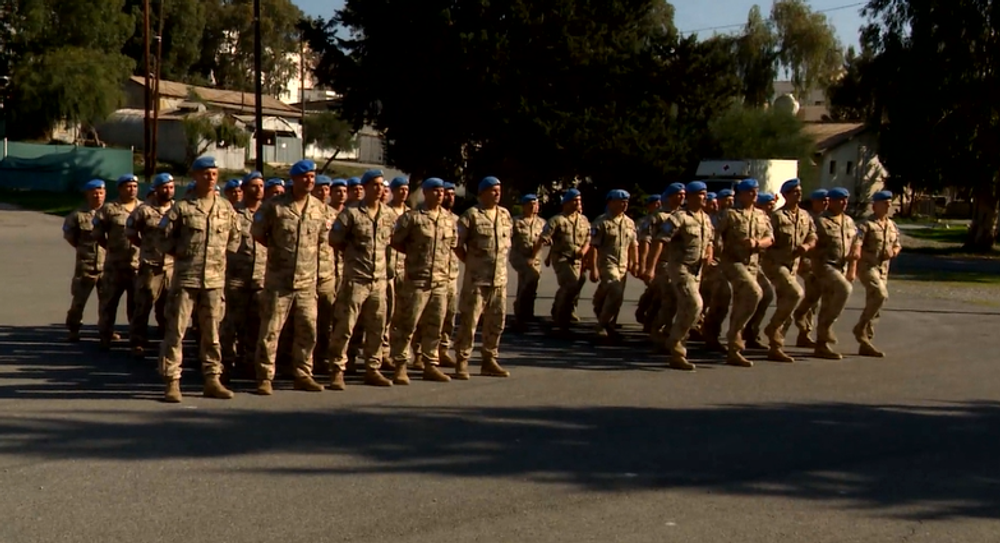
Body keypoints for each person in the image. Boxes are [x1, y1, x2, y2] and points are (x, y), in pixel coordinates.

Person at [157, 157, 241, 402]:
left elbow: (234, 239)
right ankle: (172, 381)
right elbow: (163, 238)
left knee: (212, 333)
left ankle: (212, 379)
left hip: (215, 281)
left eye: (214, 173)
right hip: (186, 279)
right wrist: (182, 254)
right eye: (205, 173)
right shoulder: (181, 208)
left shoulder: (226, 208)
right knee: (176, 332)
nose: (211, 177)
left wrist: (217, 259)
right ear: (195, 175)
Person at [251, 159, 329, 395]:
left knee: (308, 330)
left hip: (307, 281)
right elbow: (258, 234)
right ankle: (265, 376)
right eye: (305, 176)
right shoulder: (274, 206)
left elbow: (322, 240)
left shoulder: (318, 208)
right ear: (294, 179)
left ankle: (303, 374)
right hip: (279, 280)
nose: (310, 180)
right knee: (271, 331)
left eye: (313, 176)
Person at [327, 170, 397, 389]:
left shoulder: (388, 215)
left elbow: (392, 244)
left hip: (379, 280)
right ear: (365, 187)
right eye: (374, 185)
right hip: (356, 279)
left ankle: (372, 368)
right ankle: (337, 369)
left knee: (377, 327)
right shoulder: (351, 214)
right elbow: (335, 239)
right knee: (345, 327)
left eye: (381, 186)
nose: (379, 189)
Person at [387, 177, 457, 383]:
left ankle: (430, 364)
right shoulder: (412, 218)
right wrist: (416, 258)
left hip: (440, 281)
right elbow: (397, 242)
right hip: (417, 280)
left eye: (441, 191)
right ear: (425, 193)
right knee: (407, 324)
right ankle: (400, 365)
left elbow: (452, 245)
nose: (440, 194)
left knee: (435, 325)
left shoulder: (447, 219)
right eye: (435, 190)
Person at [453, 176, 514, 378]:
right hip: (477, 280)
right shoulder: (471, 216)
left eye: (499, 190)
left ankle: (489, 359)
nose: (497, 193)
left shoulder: (505, 215)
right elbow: (457, 245)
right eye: (493, 190)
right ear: (483, 192)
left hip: (499, 280)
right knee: (470, 322)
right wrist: (471, 264)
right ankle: (462, 360)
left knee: (496, 322)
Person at [714, 178, 774, 367]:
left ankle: (738, 341)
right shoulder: (729, 215)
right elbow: (715, 237)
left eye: (756, 191)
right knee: (753, 292)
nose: (754, 194)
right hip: (733, 262)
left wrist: (758, 244)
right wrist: (716, 256)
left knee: (761, 295)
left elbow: (770, 238)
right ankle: (735, 339)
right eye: (750, 191)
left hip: (754, 264)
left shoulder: (761, 216)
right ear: (740, 194)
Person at [656, 181, 714, 370]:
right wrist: (649, 266)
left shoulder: (705, 219)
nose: (703, 197)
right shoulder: (678, 218)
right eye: (699, 194)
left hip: (697, 271)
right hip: (680, 268)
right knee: (695, 304)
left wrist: (709, 254)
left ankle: (676, 350)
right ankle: (675, 345)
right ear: (689, 197)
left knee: (686, 310)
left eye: (705, 194)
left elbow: (709, 241)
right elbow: (661, 241)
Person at [761, 179, 817, 363]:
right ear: (785, 195)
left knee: (787, 303)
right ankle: (772, 327)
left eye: (799, 191)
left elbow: (812, 235)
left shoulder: (805, 216)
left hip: (793, 265)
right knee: (795, 293)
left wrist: (807, 246)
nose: (798, 194)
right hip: (776, 264)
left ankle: (776, 346)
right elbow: (767, 238)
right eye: (794, 191)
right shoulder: (777, 217)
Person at [220, 171, 267, 379]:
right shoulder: (231, 212)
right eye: (254, 186)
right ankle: (225, 363)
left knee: (256, 323)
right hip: (235, 277)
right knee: (230, 323)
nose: (258, 190)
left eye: (261, 186)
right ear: (244, 189)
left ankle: (249, 361)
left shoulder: (269, 212)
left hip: (261, 277)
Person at [125, 172, 175, 358]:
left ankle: (167, 340)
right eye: (165, 187)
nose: (168, 191)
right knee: (143, 304)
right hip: (150, 266)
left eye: (171, 187)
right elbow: (130, 232)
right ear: (156, 189)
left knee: (170, 307)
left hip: (171, 266)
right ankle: (137, 341)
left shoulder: (177, 209)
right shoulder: (144, 210)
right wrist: (144, 247)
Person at [93, 173, 141, 350]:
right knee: (109, 303)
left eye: (135, 186)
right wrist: (111, 249)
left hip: (136, 266)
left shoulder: (143, 208)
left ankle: (136, 340)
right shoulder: (109, 209)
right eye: (128, 186)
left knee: (136, 305)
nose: (132, 189)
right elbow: (98, 234)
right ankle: (105, 336)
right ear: (120, 188)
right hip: (115, 266)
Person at [851, 190, 901, 357]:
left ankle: (866, 340)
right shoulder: (866, 225)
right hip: (867, 267)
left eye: (889, 203)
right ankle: (860, 328)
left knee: (876, 303)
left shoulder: (892, 225)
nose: (888, 205)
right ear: (875, 205)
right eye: (884, 203)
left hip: (883, 269)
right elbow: (857, 243)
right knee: (880, 294)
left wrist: (894, 251)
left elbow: (897, 244)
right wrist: (855, 259)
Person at [811, 187, 859, 360]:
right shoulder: (820, 221)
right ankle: (827, 327)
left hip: (841, 266)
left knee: (828, 302)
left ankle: (821, 345)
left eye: (846, 200)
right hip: (824, 265)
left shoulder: (849, 221)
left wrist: (853, 267)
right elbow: (810, 241)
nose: (844, 203)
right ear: (830, 201)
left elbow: (856, 243)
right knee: (844, 289)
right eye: (840, 200)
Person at [535, 189, 591, 333]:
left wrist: (584, 253)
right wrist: (536, 255)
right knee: (570, 283)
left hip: (577, 258)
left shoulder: (583, 220)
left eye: (579, 200)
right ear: (566, 203)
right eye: (574, 200)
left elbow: (589, 239)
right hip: (561, 257)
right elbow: (545, 237)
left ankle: (565, 308)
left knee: (579, 281)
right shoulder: (556, 220)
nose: (578, 203)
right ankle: (561, 318)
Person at [587, 189, 638, 340]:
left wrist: (635, 263)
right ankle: (601, 324)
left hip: (622, 265)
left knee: (617, 297)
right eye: (621, 201)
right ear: (611, 202)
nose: (624, 204)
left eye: (626, 202)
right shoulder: (601, 222)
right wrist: (593, 268)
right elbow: (594, 246)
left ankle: (610, 324)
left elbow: (633, 245)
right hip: (607, 263)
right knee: (615, 292)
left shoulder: (629, 222)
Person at [63, 179, 107, 342]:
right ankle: (73, 329)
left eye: (101, 192)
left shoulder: (109, 213)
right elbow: (69, 236)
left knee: (106, 301)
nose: (98, 196)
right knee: (79, 300)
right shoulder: (78, 215)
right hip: (86, 264)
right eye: (94, 192)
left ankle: (106, 330)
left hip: (107, 265)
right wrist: (83, 250)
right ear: (87, 194)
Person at [642, 183, 686, 346]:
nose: (681, 197)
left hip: (678, 263)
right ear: (668, 196)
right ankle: (658, 329)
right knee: (670, 296)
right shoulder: (657, 217)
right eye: (677, 194)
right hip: (662, 263)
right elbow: (646, 241)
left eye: (683, 194)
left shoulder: (684, 216)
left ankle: (656, 322)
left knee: (664, 297)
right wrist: (647, 266)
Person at [314, 176, 347, 372]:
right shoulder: (304, 211)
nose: (323, 193)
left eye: (326, 189)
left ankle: (321, 358)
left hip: (328, 273)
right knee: (303, 321)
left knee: (326, 320)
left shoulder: (334, 216)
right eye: (320, 189)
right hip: (304, 273)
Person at [791, 189, 830, 346]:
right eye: (822, 200)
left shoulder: (829, 219)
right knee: (812, 294)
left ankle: (804, 333)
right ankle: (801, 320)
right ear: (814, 202)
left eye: (827, 200)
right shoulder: (808, 218)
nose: (826, 203)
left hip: (821, 263)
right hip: (805, 262)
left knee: (815, 299)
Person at [701, 188, 735, 352]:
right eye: (726, 199)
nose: (730, 202)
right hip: (712, 265)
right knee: (704, 299)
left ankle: (711, 333)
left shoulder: (735, 216)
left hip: (730, 265)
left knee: (722, 300)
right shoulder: (712, 220)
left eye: (732, 198)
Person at [744, 192, 777, 349]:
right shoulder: (745, 217)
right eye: (768, 204)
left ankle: (751, 331)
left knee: (766, 294)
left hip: (759, 265)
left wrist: (758, 243)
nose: (772, 207)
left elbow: (771, 239)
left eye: (772, 204)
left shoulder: (767, 220)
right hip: (740, 263)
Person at [382, 175, 409, 363]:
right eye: (400, 189)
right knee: (387, 313)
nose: (404, 192)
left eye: (406, 189)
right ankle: (384, 352)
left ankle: (398, 350)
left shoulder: (411, 214)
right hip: (387, 269)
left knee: (404, 313)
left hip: (406, 270)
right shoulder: (386, 212)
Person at [510, 194, 546, 331]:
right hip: (519, 256)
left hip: (535, 257)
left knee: (530, 284)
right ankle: (519, 309)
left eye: (536, 204)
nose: (533, 207)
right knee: (531, 277)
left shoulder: (542, 223)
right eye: (530, 204)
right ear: (524, 207)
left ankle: (527, 314)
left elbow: (547, 237)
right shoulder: (516, 222)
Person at [634, 194, 662, 330]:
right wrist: (641, 265)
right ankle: (647, 315)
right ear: (648, 206)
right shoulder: (645, 222)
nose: (658, 205)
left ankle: (647, 315)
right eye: (655, 203)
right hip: (650, 260)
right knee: (657, 289)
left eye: (660, 203)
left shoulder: (665, 219)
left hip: (664, 260)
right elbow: (643, 243)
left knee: (657, 290)